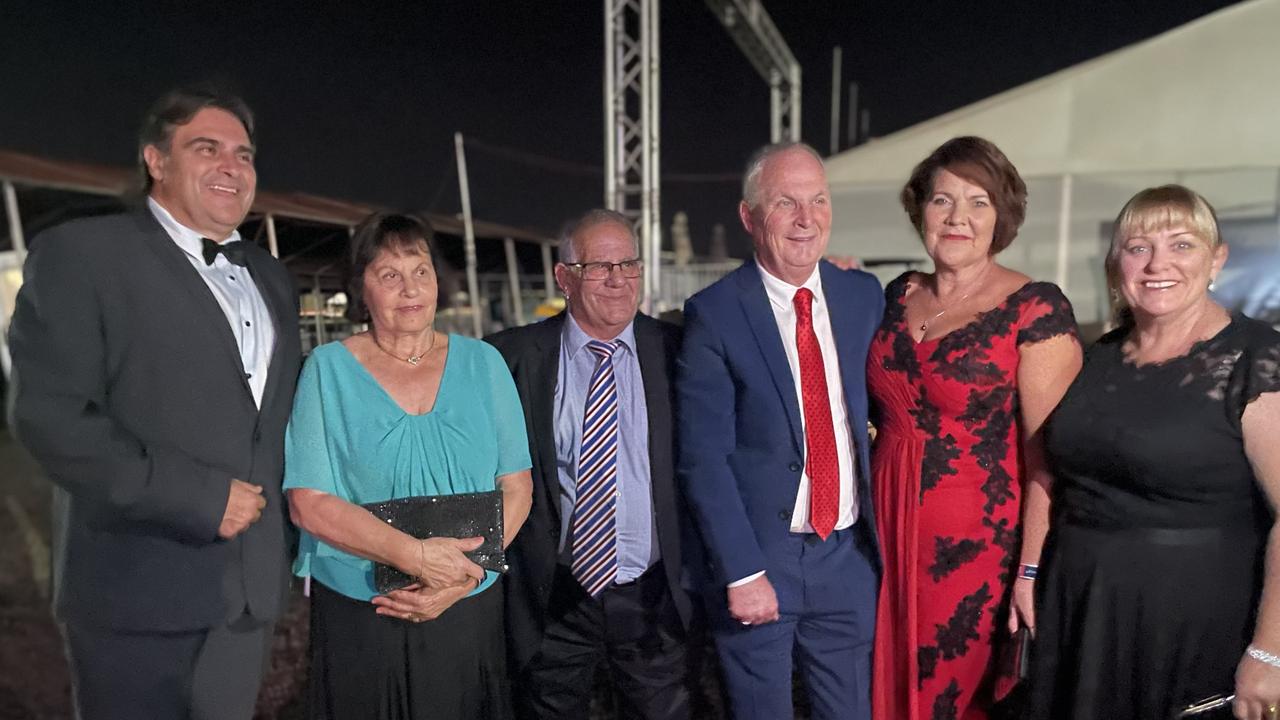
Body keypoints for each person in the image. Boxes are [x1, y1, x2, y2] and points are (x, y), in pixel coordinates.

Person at [8, 86, 302, 719]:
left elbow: (275, 424)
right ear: (156, 160)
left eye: (244, 154)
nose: (232, 165)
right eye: (207, 148)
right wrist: (196, 497)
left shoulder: (270, 276)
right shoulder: (83, 255)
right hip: (134, 591)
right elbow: (52, 418)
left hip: (247, 597)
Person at [1028, 185, 1280, 720]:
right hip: (1081, 612)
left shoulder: (1256, 358)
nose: (1156, 264)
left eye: (1181, 245)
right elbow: (1054, 475)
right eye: (1138, 247)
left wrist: (1269, 652)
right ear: (1116, 262)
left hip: (1194, 624)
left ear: (1217, 258)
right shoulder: (1097, 356)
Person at [284, 212, 533, 719]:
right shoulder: (326, 371)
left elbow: (517, 486)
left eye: (420, 270)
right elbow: (309, 504)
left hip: (467, 602)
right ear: (361, 288)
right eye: (389, 275)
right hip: (365, 607)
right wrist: (417, 559)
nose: (409, 288)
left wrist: (462, 577)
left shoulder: (483, 363)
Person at [866, 136, 1082, 720]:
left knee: (950, 702)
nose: (958, 217)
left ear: (1001, 216)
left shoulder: (1034, 309)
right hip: (879, 535)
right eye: (942, 200)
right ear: (921, 212)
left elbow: (1050, 461)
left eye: (978, 202)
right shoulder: (895, 296)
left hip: (973, 553)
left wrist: (1030, 570)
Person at [677, 142, 883, 720]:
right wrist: (742, 572)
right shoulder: (715, 313)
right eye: (786, 203)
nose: (806, 218)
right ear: (749, 217)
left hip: (846, 557)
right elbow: (702, 459)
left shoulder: (862, 296)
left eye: (818, 200)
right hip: (760, 560)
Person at [485, 209, 696, 719]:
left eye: (628, 264)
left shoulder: (678, 352)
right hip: (552, 593)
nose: (619, 279)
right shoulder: (511, 357)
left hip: (653, 593)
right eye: (601, 266)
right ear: (565, 277)